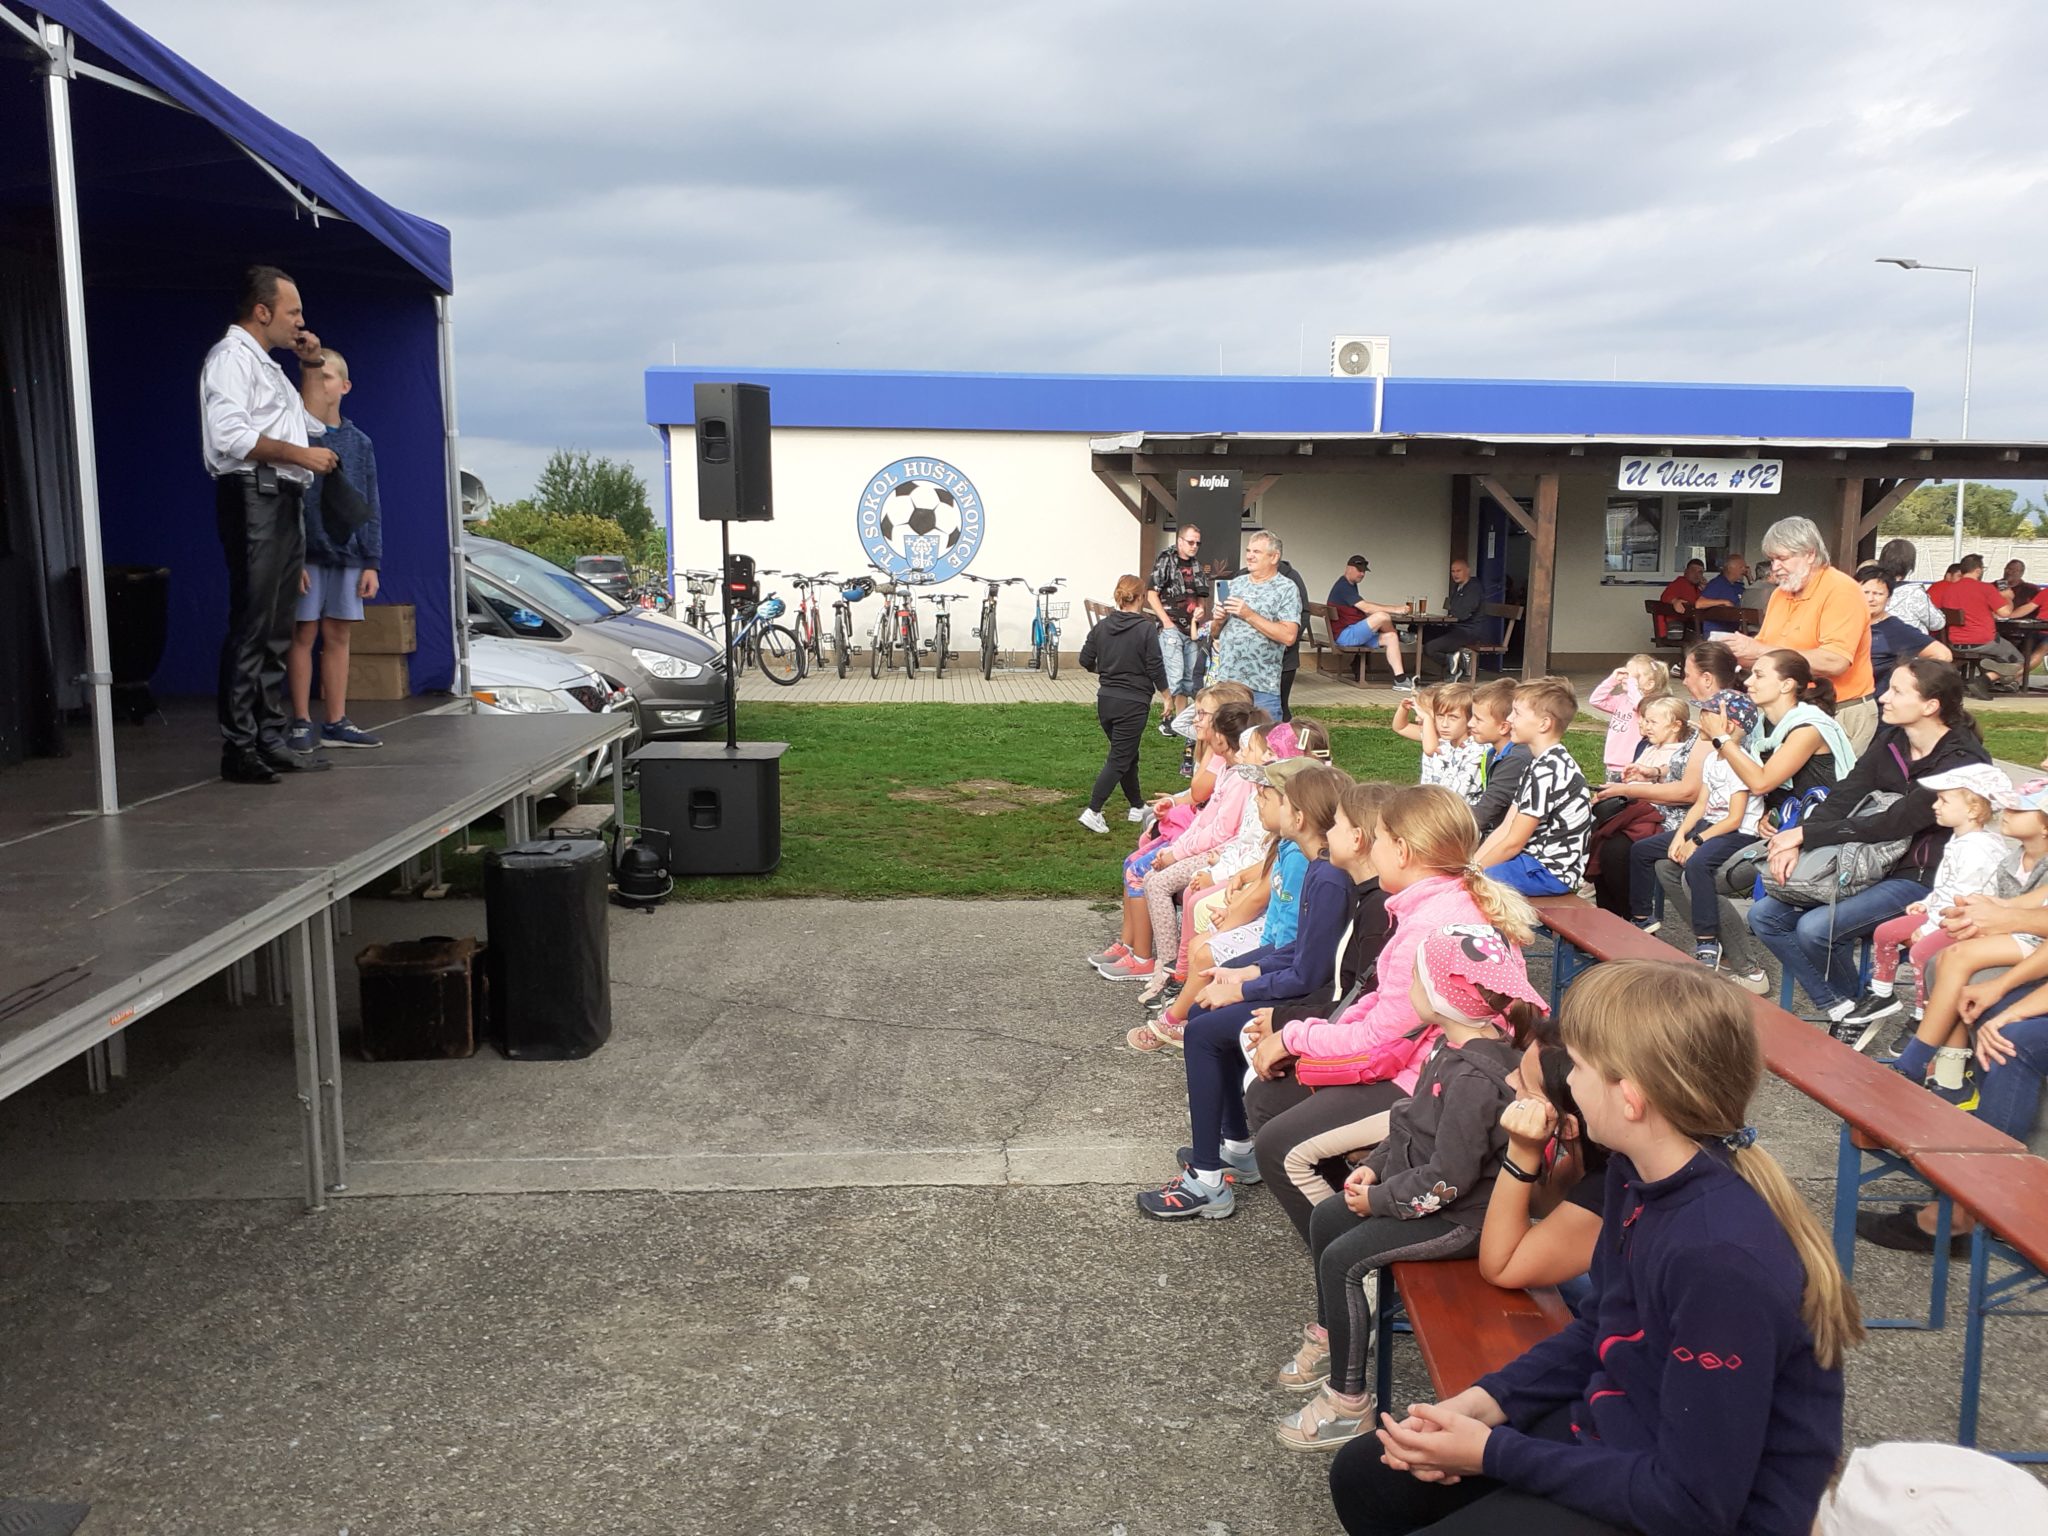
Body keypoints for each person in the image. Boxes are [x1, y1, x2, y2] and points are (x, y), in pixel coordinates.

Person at [1334, 961, 1857, 1536]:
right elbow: (1604, 1326)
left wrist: (1490, 1453)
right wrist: (1485, 1401)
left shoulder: (1719, 1258)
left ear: (1630, 1098)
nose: (1571, 1084)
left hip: (1696, 1507)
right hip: (1627, 1426)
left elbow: (1692, 1503)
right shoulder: (1635, 1176)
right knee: (1369, 1475)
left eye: (1579, 1067)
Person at [1271, 925, 1547, 1450]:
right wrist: (1376, 1166)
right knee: (1327, 1217)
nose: (1409, 987)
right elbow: (1410, 1122)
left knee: (1344, 1260)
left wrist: (1379, 1200)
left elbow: (1450, 1180)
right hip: (1430, 1195)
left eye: (1416, 978)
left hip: (1466, 1220)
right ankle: (1337, 1335)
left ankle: (1348, 1403)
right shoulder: (1451, 1045)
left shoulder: (1474, 1079)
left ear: (1443, 994)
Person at [1245, 786, 1540, 1244]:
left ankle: (1353, 1259)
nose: (1373, 846)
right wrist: (1305, 1034)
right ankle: (1359, 1216)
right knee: (1270, 1097)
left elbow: (1381, 1039)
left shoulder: (1430, 923)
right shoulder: (1440, 901)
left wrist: (1292, 1037)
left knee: (1280, 1147)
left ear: (1401, 851)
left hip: (1434, 1078)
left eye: (1379, 838)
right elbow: (1382, 1005)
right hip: (1427, 1063)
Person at [1136, 764, 1354, 1219]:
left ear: (1299, 816)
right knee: (1203, 1010)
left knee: (1203, 1031)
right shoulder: (1319, 867)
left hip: (1317, 1002)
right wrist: (1243, 971)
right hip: (1303, 985)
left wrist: (1245, 988)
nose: (1263, 802)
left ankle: (1207, 1181)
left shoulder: (1328, 877)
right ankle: (1236, 1147)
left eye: (1279, 800)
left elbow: (1311, 974)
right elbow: (1300, 949)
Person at [1747, 659, 1990, 1039]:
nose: (1883, 697)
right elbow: (1846, 794)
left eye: (1897, 691)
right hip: (1860, 862)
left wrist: (1808, 835)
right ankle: (1849, 1006)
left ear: (1930, 705)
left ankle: (1858, 1011)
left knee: (1816, 929)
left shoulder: (1962, 759)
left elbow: (1897, 822)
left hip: (1922, 875)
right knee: (1765, 915)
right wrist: (1799, 838)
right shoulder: (1892, 740)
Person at [201, 265, 340, 784]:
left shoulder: (271, 368)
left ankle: (269, 736)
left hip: (283, 495)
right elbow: (230, 436)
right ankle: (239, 746)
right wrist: (300, 457)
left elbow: (312, 422)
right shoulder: (231, 358)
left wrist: (311, 364)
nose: (301, 321)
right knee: (254, 620)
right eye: (293, 312)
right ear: (262, 311)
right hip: (252, 491)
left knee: (279, 624)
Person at [1837, 765, 2014, 1055]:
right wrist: (1928, 903)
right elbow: (1947, 884)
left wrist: (1928, 926)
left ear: (1972, 810)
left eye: (1944, 800)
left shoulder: (1979, 849)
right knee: (1885, 932)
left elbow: (1963, 898)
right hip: (1942, 913)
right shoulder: (1960, 839)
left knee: (1921, 952)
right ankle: (1881, 994)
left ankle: (1922, 1016)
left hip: (1965, 922)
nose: (1935, 805)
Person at [284, 349, 383, 753]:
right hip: (306, 554)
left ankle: (336, 721)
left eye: (328, 377)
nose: (321, 384)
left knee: (338, 634)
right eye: (314, 377)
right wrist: (291, 557)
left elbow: (370, 503)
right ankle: (300, 722)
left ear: (345, 386)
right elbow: (286, 500)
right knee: (303, 632)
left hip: (347, 553)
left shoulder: (360, 443)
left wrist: (371, 562)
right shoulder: (294, 437)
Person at [1476, 1012, 1606, 1309]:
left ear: (1568, 1126)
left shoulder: (1609, 1184)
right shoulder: (1591, 1153)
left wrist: (1522, 1153)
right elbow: (1541, 1202)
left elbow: (1501, 1267)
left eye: (1523, 1082)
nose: (1509, 1081)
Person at [1725, 516, 1876, 753]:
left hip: (1839, 711)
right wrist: (1733, 651)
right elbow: (1763, 653)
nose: (1775, 567)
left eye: (1782, 558)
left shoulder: (1842, 590)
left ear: (1810, 554)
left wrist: (1760, 650)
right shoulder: (1780, 594)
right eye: (1772, 559)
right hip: (1791, 711)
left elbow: (1835, 661)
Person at [1475, 678, 1593, 899]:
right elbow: (1506, 828)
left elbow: (1513, 843)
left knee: (1474, 886)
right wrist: (1472, 865)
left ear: (1544, 724)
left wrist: (1472, 874)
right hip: (1529, 863)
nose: (1510, 719)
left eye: (1517, 713)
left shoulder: (1549, 769)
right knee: (1466, 876)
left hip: (1548, 872)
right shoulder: (1538, 763)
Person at [1077, 575, 1168, 834]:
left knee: (1127, 754)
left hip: (1106, 700)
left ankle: (1137, 806)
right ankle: (1093, 810)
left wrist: (1107, 669)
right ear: (1140, 598)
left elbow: (1085, 659)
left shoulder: (1102, 626)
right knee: (1119, 758)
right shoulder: (1146, 629)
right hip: (1133, 703)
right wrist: (1167, 694)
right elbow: (1154, 665)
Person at [1208, 531, 1302, 719]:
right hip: (1227, 685)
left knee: (1262, 736)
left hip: (1261, 687)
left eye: (1257, 552)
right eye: (1248, 550)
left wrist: (1248, 614)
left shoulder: (1287, 589)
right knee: (1225, 736)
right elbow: (1215, 633)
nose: (1249, 556)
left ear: (1274, 557)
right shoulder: (1235, 584)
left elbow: (1289, 636)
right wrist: (1218, 620)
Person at [1928, 553, 2023, 695]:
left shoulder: (1949, 589)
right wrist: (2008, 598)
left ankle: (1994, 669)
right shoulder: (1986, 588)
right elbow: (2005, 613)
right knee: (2019, 660)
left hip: (1954, 641)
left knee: (2001, 655)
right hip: (1983, 641)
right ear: (1978, 570)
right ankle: (1986, 679)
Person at [1146, 524, 1210, 734]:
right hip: (1172, 626)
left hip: (1191, 628)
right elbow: (1151, 593)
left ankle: (1182, 722)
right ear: (1180, 541)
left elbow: (1201, 596)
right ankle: (1169, 719)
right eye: (1190, 542)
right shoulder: (1166, 560)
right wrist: (1166, 622)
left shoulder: (1196, 565)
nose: (1194, 546)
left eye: (1198, 543)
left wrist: (1201, 610)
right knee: (1175, 675)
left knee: (1190, 676)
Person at [1858, 563, 1950, 695]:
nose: (1870, 599)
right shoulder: (1844, 621)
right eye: (1865, 592)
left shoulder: (1894, 629)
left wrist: (1908, 680)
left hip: (1876, 699)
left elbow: (1942, 654)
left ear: (1888, 599)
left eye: (1878, 594)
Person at [1389, 684, 1483, 801]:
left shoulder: (1475, 750)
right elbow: (1400, 727)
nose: (1444, 724)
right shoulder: (1442, 739)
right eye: (1440, 716)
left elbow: (1430, 750)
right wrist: (1403, 708)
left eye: (1453, 717)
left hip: (1452, 807)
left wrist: (1427, 719)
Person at [1465, 678, 1530, 838]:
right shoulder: (1493, 754)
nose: (1470, 723)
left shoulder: (1516, 760)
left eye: (1478, 719)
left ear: (1503, 727)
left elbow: (1483, 815)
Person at [1585, 654, 1666, 781]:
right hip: (1612, 763)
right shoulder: (1621, 700)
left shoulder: (1648, 705)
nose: (1627, 679)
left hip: (1633, 765)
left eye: (1633, 677)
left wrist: (1632, 685)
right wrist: (1612, 680)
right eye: (1626, 674)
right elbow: (1596, 700)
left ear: (1649, 684)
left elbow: (1640, 705)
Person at [1419, 557, 1487, 680]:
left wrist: (1452, 616)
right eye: (1453, 571)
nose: (1455, 574)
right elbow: (1455, 610)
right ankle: (1451, 660)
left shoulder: (1474, 587)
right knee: (1423, 631)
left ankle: (1455, 665)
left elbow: (1463, 613)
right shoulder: (1457, 587)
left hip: (1468, 631)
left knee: (1430, 648)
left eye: (1458, 571)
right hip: (1454, 626)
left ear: (1468, 571)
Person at [1876, 537, 1945, 634]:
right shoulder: (1915, 593)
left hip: (1876, 640)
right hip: (1910, 642)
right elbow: (1936, 623)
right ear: (1910, 565)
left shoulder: (1869, 588)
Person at [1691, 551, 1748, 638]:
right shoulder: (1718, 583)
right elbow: (1699, 604)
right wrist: (1724, 602)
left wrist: (1750, 578)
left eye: (1745, 567)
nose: (1745, 570)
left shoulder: (1738, 586)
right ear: (1730, 568)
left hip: (1734, 633)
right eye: (1741, 567)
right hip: (1716, 634)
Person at [1653, 558, 1706, 641]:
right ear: (1686, 572)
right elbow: (1666, 596)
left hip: (1693, 623)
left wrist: (1706, 589)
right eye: (1693, 571)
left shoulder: (1699, 588)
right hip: (1680, 625)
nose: (1696, 575)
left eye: (1700, 572)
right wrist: (1675, 601)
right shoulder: (1680, 582)